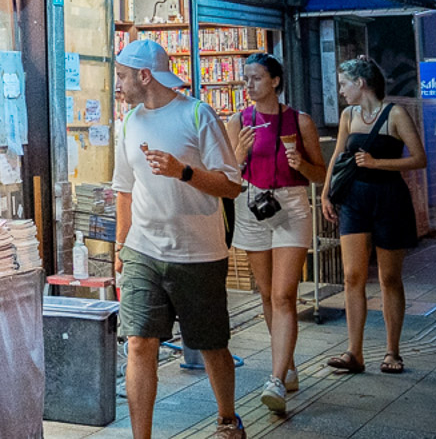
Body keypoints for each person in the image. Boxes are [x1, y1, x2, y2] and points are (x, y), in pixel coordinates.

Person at [112, 39, 246, 439]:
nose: (117, 84)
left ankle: (226, 418)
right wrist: (121, 248)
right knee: (139, 343)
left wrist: (183, 172)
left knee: (210, 344)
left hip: (199, 251)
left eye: (121, 76)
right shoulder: (130, 121)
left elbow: (232, 185)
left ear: (144, 75)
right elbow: (124, 188)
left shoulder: (197, 114)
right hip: (143, 249)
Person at [225, 53, 326, 413]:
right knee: (267, 294)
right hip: (252, 206)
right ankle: (289, 365)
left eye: (255, 78)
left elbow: (320, 174)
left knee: (284, 295)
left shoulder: (299, 121)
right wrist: (238, 156)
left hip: (291, 207)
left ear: (275, 81)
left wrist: (303, 164)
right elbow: (226, 177)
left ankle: (277, 379)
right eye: (245, 78)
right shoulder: (238, 121)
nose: (248, 85)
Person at [321, 56, 427, 375]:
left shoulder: (395, 113)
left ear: (360, 83)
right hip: (354, 198)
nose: (341, 91)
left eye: (343, 84)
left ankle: (392, 351)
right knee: (352, 275)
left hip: (389, 197)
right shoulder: (348, 115)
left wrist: (378, 164)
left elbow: (419, 158)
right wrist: (326, 193)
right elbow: (339, 156)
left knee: (389, 277)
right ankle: (354, 352)